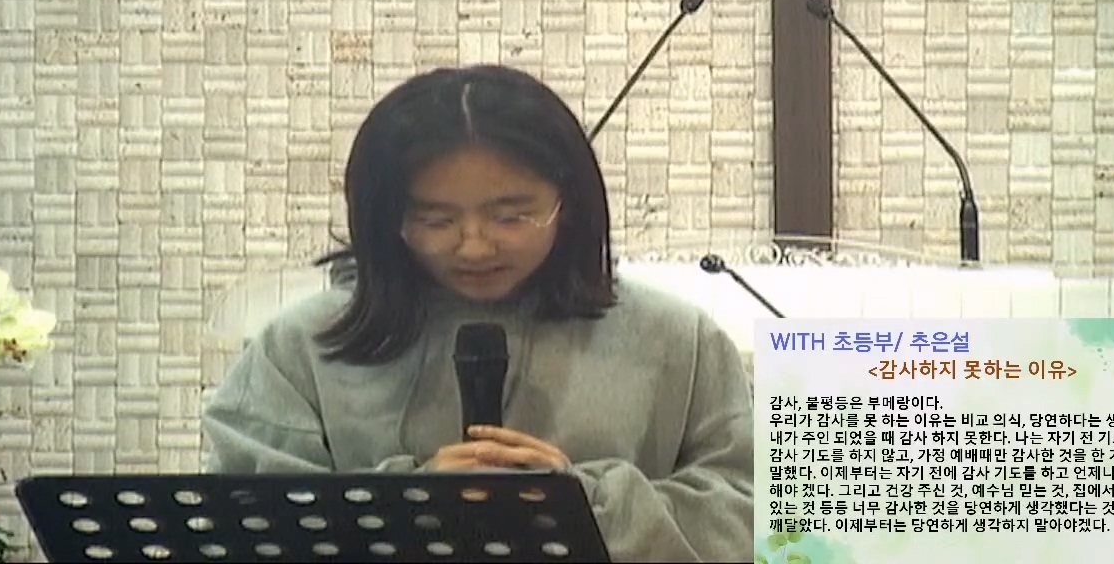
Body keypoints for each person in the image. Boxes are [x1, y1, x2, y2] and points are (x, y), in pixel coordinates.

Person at [202, 64, 753, 561]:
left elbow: (768, 518)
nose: (474, 247)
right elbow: (244, 522)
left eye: (511, 217)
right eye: (436, 220)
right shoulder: (304, 345)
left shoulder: (678, 340)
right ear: (386, 216)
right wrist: (406, 505)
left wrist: (586, 506)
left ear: (568, 204)